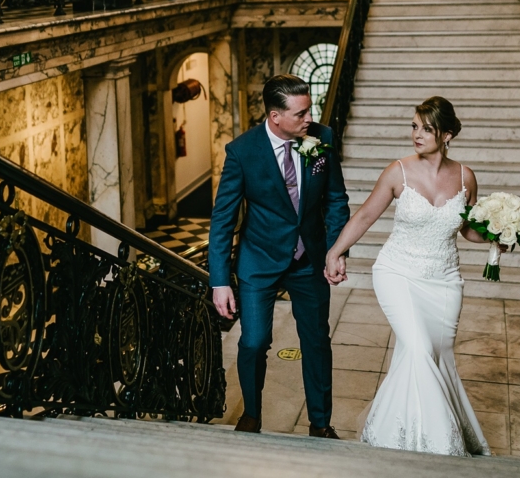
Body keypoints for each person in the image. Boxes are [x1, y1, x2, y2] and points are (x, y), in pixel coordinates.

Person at [325, 96, 490, 456]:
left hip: (445, 279)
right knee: (417, 349)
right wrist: (335, 251)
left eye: (426, 129)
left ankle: (393, 432)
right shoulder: (397, 171)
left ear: (446, 135)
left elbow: (468, 230)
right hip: (397, 272)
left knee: (436, 355)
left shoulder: (465, 177)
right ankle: (439, 445)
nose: (417, 134)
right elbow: (365, 216)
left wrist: (498, 237)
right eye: (414, 126)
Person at [208, 74, 350, 438]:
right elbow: (223, 219)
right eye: (301, 113)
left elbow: (336, 199)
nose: (309, 119)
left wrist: (336, 251)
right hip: (259, 260)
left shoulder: (323, 138)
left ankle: (320, 423)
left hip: (310, 259)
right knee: (253, 341)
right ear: (275, 116)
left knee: (316, 341)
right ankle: (252, 414)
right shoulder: (242, 151)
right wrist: (220, 280)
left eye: (310, 111)